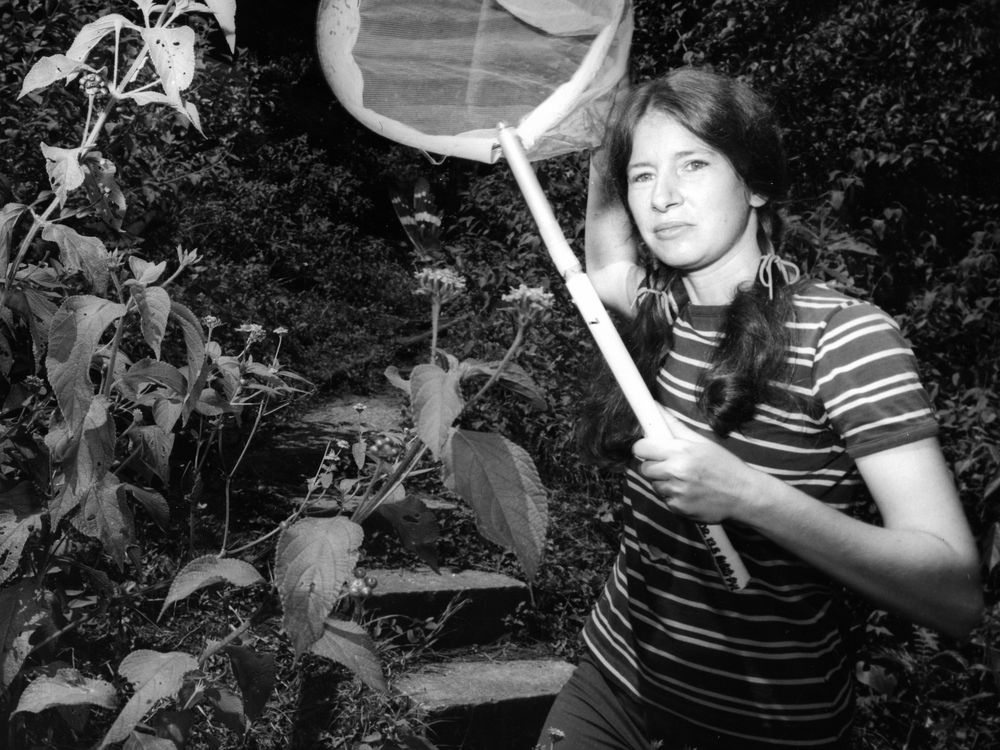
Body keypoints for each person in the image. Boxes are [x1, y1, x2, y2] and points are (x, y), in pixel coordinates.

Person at [537, 68, 983, 749]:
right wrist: (607, 122)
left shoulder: (845, 339)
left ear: (755, 182)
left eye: (694, 164)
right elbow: (602, 263)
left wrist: (747, 495)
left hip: (764, 726)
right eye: (643, 176)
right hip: (612, 688)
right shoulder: (661, 312)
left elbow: (953, 594)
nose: (664, 197)